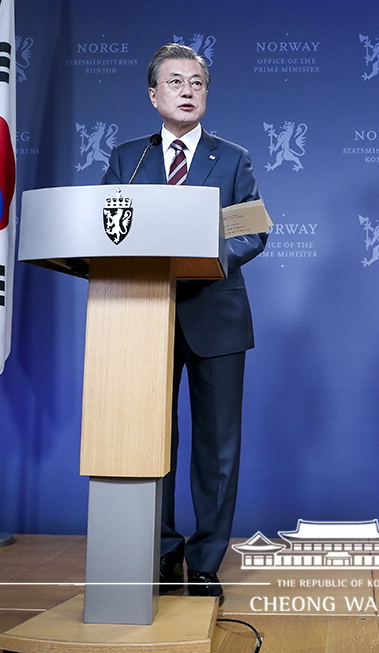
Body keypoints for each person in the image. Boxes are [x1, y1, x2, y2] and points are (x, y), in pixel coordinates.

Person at [102, 43, 267, 603]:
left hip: (215, 316)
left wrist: (209, 259)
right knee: (150, 440)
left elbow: (251, 230)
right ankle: (161, 549)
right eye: (175, 82)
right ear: (154, 95)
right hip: (139, 316)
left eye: (197, 82)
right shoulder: (129, 159)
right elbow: (102, 232)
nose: (188, 90)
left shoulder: (233, 158)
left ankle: (204, 560)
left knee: (217, 448)